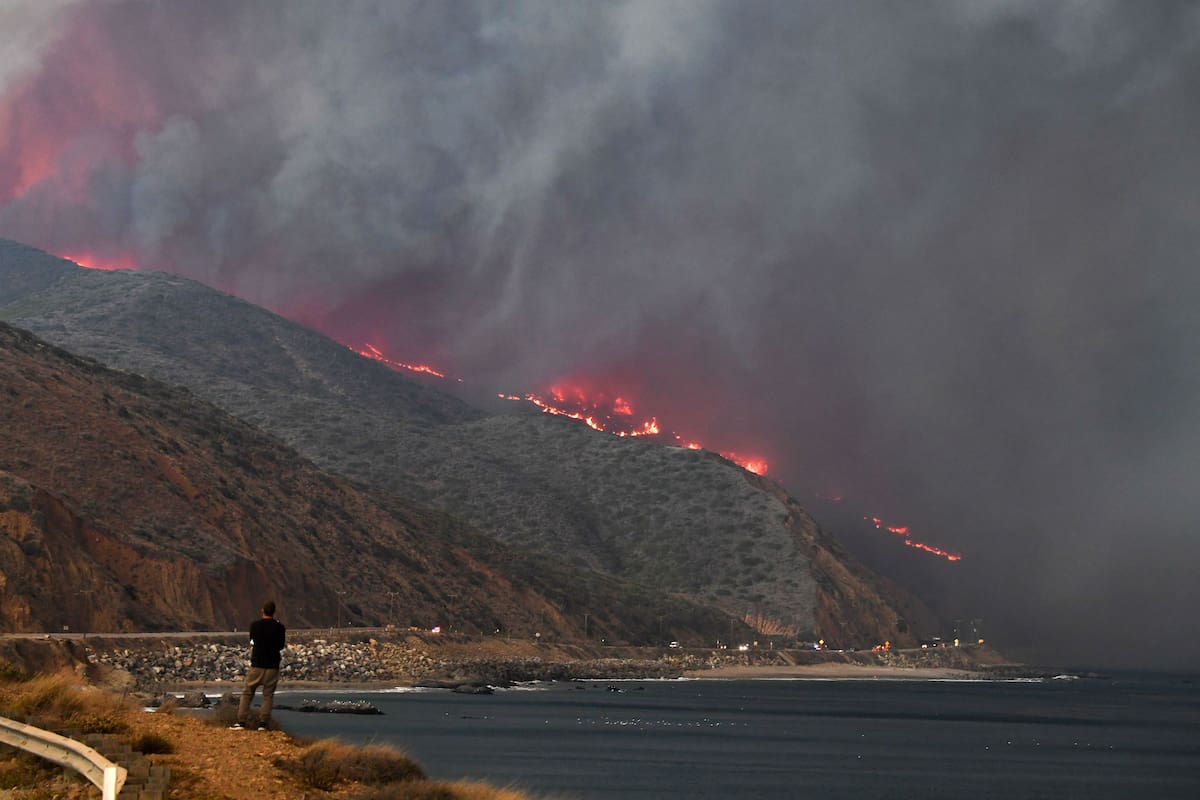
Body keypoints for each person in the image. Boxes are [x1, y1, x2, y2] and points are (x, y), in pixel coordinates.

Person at [231, 600, 286, 730]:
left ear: (262, 610)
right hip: (272, 666)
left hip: (257, 664)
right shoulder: (280, 627)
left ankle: (241, 721)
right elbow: (280, 645)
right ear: (274, 612)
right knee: (268, 696)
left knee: (247, 693)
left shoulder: (255, 625)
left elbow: (252, 641)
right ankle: (263, 723)